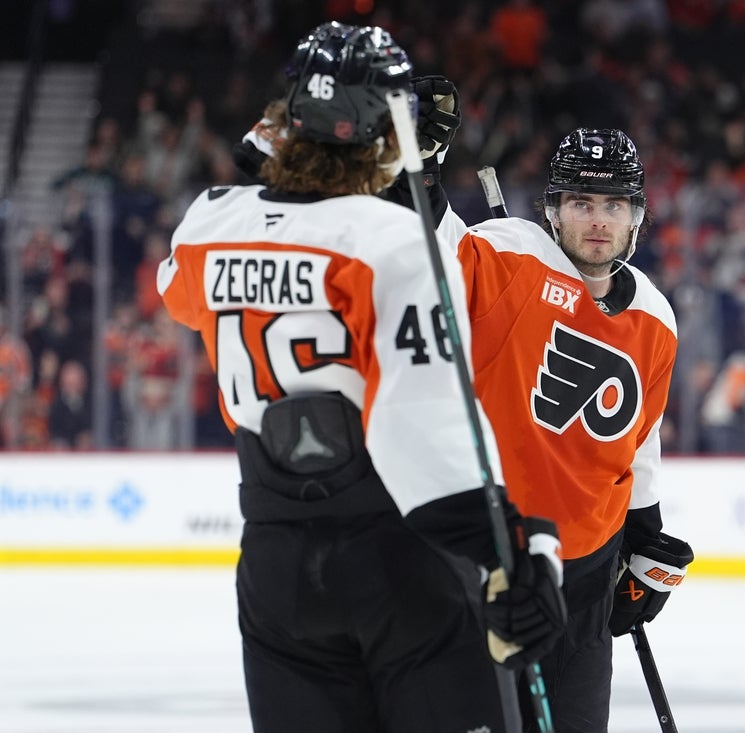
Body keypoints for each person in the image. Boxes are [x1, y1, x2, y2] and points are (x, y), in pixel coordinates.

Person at [157, 23, 565, 733]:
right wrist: (516, 550)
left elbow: (180, 286)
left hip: (274, 567)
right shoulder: (395, 244)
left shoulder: (208, 225)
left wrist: (274, 152)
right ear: (384, 132)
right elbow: (424, 423)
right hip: (396, 562)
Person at [393, 90, 694, 731]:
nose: (597, 221)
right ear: (553, 211)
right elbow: (435, 247)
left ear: (636, 218)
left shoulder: (656, 316)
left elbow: (640, 440)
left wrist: (645, 540)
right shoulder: (514, 254)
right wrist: (420, 169)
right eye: (582, 203)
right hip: (493, 560)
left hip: (589, 573)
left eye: (614, 205)